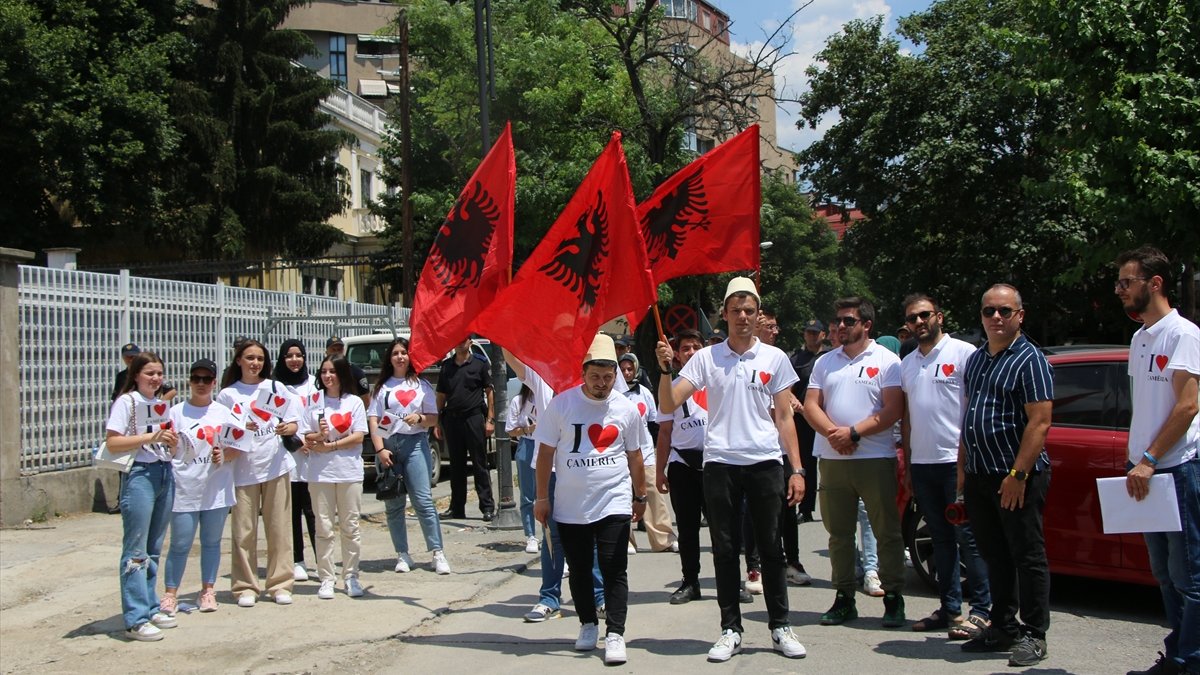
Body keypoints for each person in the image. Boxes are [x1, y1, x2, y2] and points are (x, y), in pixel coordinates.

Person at [656, 277, 807, 662]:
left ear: (758, 316)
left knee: (771, 548)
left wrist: (797, 469)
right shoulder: (707, 358)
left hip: (764, 462)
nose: (742, 317)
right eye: (735, 310)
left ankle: (779, 626)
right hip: (720, 462)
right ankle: (730, 629)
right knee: (725, 549)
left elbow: (785, 417)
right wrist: (664, 369)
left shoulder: (775, 359)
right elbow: (671, 402)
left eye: (749, 311)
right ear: (723, 315)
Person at [533, 334, 651, 665]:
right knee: (581, 568)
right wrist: (541, 497)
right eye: (595, 376)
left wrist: (640, 495)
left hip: (613, 499)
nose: (601, 384)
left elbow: (636, 455)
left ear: (617, 374)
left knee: (614, 566)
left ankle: (615, 632)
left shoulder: (626, 409)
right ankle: (587, 623)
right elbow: (545, 454)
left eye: (608, 377)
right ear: (583, 373)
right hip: (571, 505)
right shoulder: (562, 405)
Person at [1114, 246, 1200, 675]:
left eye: (1126, 282)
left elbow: (1187, 406)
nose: (1120, 290)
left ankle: (1190, 661)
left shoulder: (1183, 333)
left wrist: (1148, 458)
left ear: (1155, 283)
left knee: (1190, 578)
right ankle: (1178, 656)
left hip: (1175, 470)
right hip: (1146, 472)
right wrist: (1138, 461)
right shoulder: (1139, 337)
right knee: (1164, 576)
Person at [959, 284, 1053, 667]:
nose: (996, 318)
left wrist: (1018, 474)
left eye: (1004, 311)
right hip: (980, 473)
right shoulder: (978, 359)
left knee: (1027, 555)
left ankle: (1034, 633)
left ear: (1020, 315)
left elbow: (1040, 421)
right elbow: (970, 418)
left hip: (1015, 475)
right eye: (988, 311)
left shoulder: (1030, 359)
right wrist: (962, 471)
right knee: (994, 555)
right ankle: (1002, 627)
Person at [803, 297, 907, 628]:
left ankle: (893, 597)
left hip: (874, 458)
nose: (841, 327)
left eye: (849, 321)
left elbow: (893, 410)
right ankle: (844, 597)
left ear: (866, 325)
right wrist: (836, 434)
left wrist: (855, 433)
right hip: (833, 460)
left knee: (886, 531)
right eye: (839, 321)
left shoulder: (888, 360)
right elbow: (811, 405)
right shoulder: (825, 362)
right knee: (839, 534)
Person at [899, 294, 992, 637]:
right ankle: (950, 608)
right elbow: (907, 419)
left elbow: (974, 412)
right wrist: (908, 466)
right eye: (912, 318)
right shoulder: (907, 363)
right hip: (923, 465)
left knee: (968, 538)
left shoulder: (964, 354)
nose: (919, 322)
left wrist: (967, 463)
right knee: (939, 539)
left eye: (924, 315)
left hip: (957, 463)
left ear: (939, 316)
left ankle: (982, 610)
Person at [503, 349, 608, 624]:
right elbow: (512, 358)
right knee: (553, 537)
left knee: (590, 533)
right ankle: (549, 597)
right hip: (549, 470)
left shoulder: (589, 377)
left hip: (583, 469)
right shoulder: (540, 375)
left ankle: (599, 596)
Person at [215, 339, 299, 608]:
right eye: (250, 358)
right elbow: (222, 434)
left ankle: (280, 583)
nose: (255, 363)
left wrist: (289, 428)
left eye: (260, 359)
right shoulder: (228, 395)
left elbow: (294, 420)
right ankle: (244, 586)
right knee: (243, 532)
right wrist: (242, 428)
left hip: (275, 465)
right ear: (238, 360)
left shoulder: (276, 388)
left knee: (278, 529)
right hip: (242, 470)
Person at [105, 351, 179, 641]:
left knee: (154, 546)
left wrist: (172, 442)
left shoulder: (160, 406)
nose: (156, 378)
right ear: (136, 375)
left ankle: (150, 605)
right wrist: (150, 437)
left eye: (159, 373)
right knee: (135, 548)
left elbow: (167, 440)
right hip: (139, 474)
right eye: (150, 373)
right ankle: (135, 617)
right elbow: (113, 441)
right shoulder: (127, 402)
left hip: (163, 471)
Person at [162, 358, 240, 616]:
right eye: (197, 379)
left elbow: (238, 446)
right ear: (189, 381)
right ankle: (170, 594)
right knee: (180, 543)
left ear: (214, 382)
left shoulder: (223, 413)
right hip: (185, 487)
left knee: (211, 542)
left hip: (215, 489)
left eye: (207, 379)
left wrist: (224, 455)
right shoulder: (176, 412)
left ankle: (208, 590)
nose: (201, 384)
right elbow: (167, 448)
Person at [368, 338, 451, 576]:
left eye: (404, 353)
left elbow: (434, 417)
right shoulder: (381, 387)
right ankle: (402, 554)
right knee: (393, 503)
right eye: (395, 353)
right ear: (389, 358)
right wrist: (380, 449)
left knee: (423, 500)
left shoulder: (421, 385)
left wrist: (421, 419)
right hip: (388, 445)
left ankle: (437, 552)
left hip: (414, 443)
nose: (400, 357)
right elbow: (373, 419)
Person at [301, 355, 368, 599]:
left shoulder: (354, 403)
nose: (328, 376)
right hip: (320, 474)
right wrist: (318, 436)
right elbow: (304, 435)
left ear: (341, 374)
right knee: (324, 527)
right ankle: (326, 578)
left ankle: (351, 576)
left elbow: (360, 435)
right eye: (324, 372)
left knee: (350, 526)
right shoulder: (313, 402)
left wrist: (331, 445)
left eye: (332, 371)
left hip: (349, 472)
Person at [655, 329, 709, 604]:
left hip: (715, 462)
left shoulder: (716, 381)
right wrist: (659, 470)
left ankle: (731, 581)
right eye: (685, 348)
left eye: (696, 347)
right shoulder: (671, 386)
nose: (691, 352)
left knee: (726, 528)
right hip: (683, 463)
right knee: (687, 529)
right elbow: (664, 432)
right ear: (677, 354)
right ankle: (690, 581)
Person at [620, 352, 675, 553]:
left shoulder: (644, 392)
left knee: (652, 492)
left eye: (630, 369)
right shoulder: (614, 393)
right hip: (620, 453)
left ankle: (663, 538)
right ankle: (625, 540)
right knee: (623, 496)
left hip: (644, 451)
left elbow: (654, 422)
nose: (626, 373)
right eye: (623, 369)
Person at [273, 339, 318, 583]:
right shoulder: (274, 386)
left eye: (298, 355)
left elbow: (319, 413)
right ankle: (297, 560)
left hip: (313, 453)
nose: (294, 360)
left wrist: (313, 439)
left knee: (314, 511)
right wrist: (297, 442)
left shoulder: (313, 383)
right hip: (288, 455)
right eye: (289, 355)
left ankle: (322, 559)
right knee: (292, 511)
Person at [437, 337, 496, 521]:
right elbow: (441, 395)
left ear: (470, 342)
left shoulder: (479, 364)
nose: (460, 343)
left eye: (464, 340)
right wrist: (437, 421)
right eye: (458, 340)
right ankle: (456, 508)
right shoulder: (447, 366)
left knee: (479, 464)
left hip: (474, 417)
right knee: (456, 466)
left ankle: (487, 507)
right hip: (452, 420)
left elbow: (489, 392)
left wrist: (490, 420)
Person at [790, 319, 826, 523]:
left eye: (816, 332)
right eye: (808, 332)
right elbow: (788, 390)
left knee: (830, 463)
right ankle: (805, 508)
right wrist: (799, 407)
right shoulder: (796, 360)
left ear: (823, 335)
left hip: (826, 418)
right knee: (807, 464)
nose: (812, 336)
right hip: (802, 420)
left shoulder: (829, 357)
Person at [506, 383, 541, 554]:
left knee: (547, 493)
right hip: (527, 445)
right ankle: (531, 535)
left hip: (547, 446)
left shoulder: (549, 398)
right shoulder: (519, 401)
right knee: (527, 494)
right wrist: (527, 429)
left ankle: (552, 533)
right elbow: (511, 431)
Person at [112, 343, 177, 403]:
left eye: (133, 356)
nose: (130, 359)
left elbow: (172, 391)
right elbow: (116, 396)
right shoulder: (121, 376)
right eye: (127, 357)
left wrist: (157, 405)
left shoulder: (152, 373)